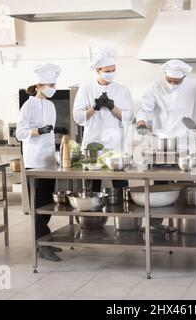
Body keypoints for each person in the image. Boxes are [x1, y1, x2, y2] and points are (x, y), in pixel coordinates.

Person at [16, 63, 67, 262]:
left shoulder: (50, 105)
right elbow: (20, 133)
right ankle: (41, 245)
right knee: (38, 205)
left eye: (54, 84)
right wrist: (38, 131)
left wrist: (55, 130)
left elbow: (50, 130)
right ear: (39, 85)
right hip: (34, 161)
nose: (52, 88)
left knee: (46, 204)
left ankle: (44, 241)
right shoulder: (28, 106)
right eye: (49, 84)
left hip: (48, 159)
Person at [73, 47, 133, 191]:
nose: (111, 74)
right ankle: (93, 209)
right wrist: (94, 108)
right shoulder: (85, 90)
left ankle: (122, 212)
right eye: (107, 71)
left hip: (116, 145)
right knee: (92, 186)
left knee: (121, 185)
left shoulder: (122, 90)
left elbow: (129, 117)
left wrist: (112, 107)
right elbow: (78, 117)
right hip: (93, 145)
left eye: (113, 70)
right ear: (98, 70)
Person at [136, 59, 196, 138]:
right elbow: (145, 109)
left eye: (176, 82)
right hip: (161, 137)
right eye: (169, 80)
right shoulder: (155, 86)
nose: (172, 84)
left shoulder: (192, 86)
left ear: (184, 77)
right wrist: (141, 123)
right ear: (165, 74)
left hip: (184, 138)